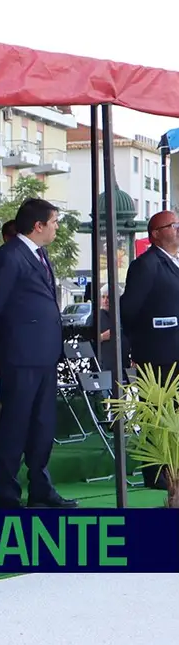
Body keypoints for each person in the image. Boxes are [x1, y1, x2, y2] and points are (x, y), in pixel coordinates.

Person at [0, 198, 77, 509]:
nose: (56, 228)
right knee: (15, 424)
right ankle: (8, 494)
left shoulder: (39, 254)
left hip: (45, 355)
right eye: (54, 222)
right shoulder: (9, 257)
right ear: (38, 226)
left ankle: (41, 487)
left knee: (42, 424)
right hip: (20, 356)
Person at [120, 209, 179, 491]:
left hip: (174, 353)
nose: (178, 229)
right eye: (173, 225)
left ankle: (173, 468)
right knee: (156, 413)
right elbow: (129, 309)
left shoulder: (172, 263)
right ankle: (156, 474)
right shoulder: (146, 265)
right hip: (156, 354)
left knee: (173, 415)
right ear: (155, 234)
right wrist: (142, 338)